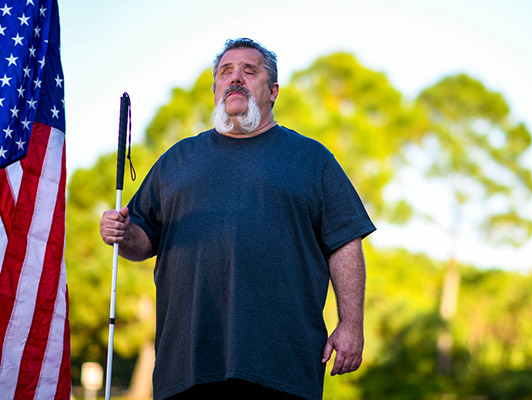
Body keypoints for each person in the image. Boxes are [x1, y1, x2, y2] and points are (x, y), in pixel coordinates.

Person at [100, 38, 375, 400]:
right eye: (225, 72)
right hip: (187, 366)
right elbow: (141, 242)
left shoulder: (311, 159)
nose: (235, 79)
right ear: (215, 88)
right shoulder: (178, 160)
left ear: (273, 90)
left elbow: (345, 242)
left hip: (282, 366)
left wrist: (351, 323)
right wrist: (122, 232)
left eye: (249, 71)